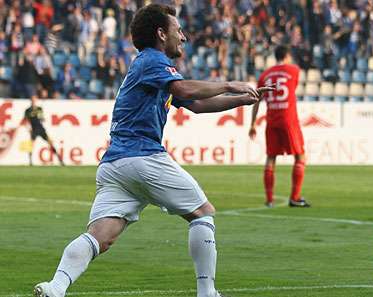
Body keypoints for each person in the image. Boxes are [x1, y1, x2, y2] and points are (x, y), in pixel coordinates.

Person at [33, 4, 272, 297]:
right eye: (178, 30)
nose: (182, 36)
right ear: (161, 34)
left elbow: (196, 105)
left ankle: (55, 287)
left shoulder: (153, 68)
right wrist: (229, 84)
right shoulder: (152, 60)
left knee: (101, 236)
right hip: (142, 156)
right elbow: (186, 91)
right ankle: (207, 292)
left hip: (115, 165)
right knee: (202, 214)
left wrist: (242, 100)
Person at [248, 45, 310, 208]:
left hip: (272, 119)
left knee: (270, 158)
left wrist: (253, 123)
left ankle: (269, 200)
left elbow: (256, 100)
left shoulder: (265, 75)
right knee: (300, 156)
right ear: (288, 55)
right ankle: (295, 197)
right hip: (288, 119)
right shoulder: (294, 70)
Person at [24, 96, 64, 166]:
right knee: (31, 145)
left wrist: (43, 118)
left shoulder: (39, 109)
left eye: (34, 100)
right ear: (31, 100)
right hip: (34, 130)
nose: (33, 101)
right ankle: (30, 162)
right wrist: (28, 128)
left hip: (41, 129)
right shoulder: (28, 110)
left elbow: (42, 118)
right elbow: (25, 121)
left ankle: (59, 159)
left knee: (50, 143)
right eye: (32, 100)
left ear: (36, 100)